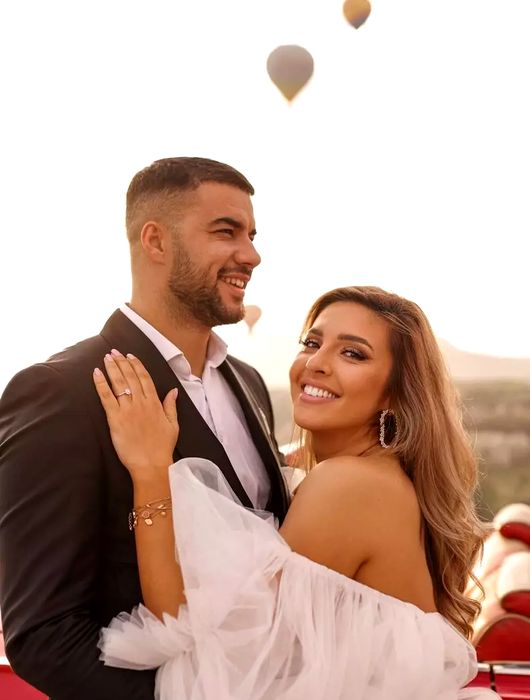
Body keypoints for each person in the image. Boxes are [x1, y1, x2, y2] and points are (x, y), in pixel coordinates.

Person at [93, 286, 500, 699]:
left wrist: (150, 471)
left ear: (395, 392)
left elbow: (210, 646)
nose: (316, 363)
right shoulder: (377, 473)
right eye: (312, 343)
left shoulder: (349, 484)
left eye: (352, 353)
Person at [0, 157, 288, 700]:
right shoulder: (60, 391)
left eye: (251, 235)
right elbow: (43, 636)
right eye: (225, 231)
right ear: (155, 241)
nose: (251, 255)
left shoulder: (249, 383)